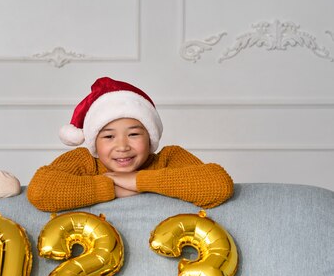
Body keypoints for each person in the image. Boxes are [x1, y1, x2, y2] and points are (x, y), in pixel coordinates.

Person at [27, 77, 234, 212]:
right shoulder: (85, 161)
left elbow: (218, 185)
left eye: (134, 134)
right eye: (109, 137)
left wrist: (136, 181)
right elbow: (40, 191)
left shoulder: (169, 158)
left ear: (150, 137)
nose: (122, 146)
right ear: (94, 143)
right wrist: (114, 188)